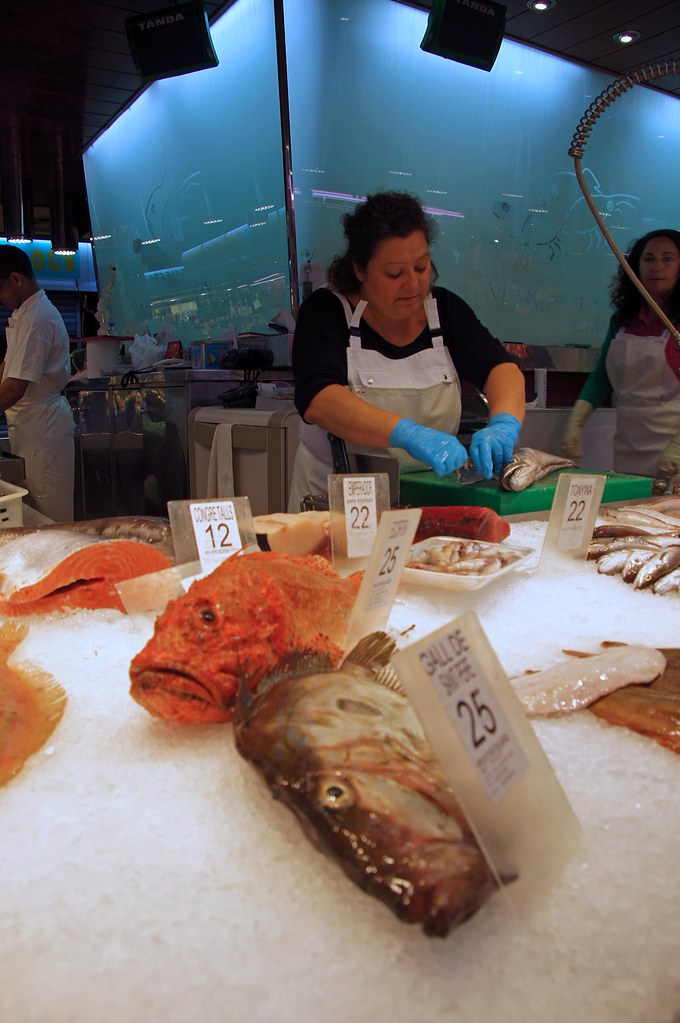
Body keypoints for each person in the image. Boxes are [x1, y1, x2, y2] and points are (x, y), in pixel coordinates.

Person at [288, 191, 526, 510]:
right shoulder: (326, 311)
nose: (412, 284)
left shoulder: (445, 310)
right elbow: (319, 399)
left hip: (429, 499)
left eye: (421, 267)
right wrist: (407, 434)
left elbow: (501, 368)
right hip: (335, 501)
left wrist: (504, 424)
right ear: (359, 269)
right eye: (394, 273)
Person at [562, 229, 680, 478]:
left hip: (674, 450)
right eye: (649, 259)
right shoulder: (622, 321)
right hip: (628, 447)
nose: (657, 267)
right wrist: (577, 421)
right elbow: (601, 377)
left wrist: (677, 448)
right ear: (636, 267)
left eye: (667, 259)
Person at [0, 245, 75, 521]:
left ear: (16, 279)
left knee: (50, 521)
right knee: (34, 516)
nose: (1, 299)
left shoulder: (38, 318)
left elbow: (14, 389)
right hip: (31, 432)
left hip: (44, 433)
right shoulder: (25, 314)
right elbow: (6, 368)